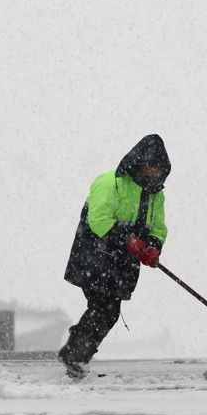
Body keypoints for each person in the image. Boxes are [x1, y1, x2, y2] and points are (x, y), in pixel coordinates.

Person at [58, 134, 171, 378]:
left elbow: (158, 227)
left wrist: (152, 246)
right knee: (104, 308)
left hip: (122, 261)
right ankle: (74, 355)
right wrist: (127, 238)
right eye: (151, 166)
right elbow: (97, 219)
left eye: (159, 169)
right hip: (95, 254)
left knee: (107, 310)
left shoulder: (156, 194)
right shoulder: (111, 182)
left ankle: (76, 357)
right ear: (139, 163)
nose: (154, 173)